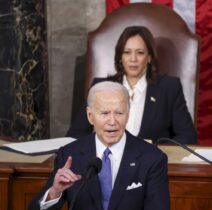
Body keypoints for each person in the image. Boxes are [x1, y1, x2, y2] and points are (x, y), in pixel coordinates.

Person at [28, 82, 170, 210]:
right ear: (90, 116)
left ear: (127, 115)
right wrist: (55, 191)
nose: (112, 121)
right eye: (104, 113)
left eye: (119, 113)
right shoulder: (70, 155)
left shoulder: (152, 157)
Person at [67, 26, 197, 145]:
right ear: (120, 57)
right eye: (127, 52)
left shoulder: (169, 87)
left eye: (140, 53)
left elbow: (187, 136)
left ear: (149, 57)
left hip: (150, 164)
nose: (133, 59)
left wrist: (155, 152)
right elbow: (75, 135)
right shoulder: (100, 87)